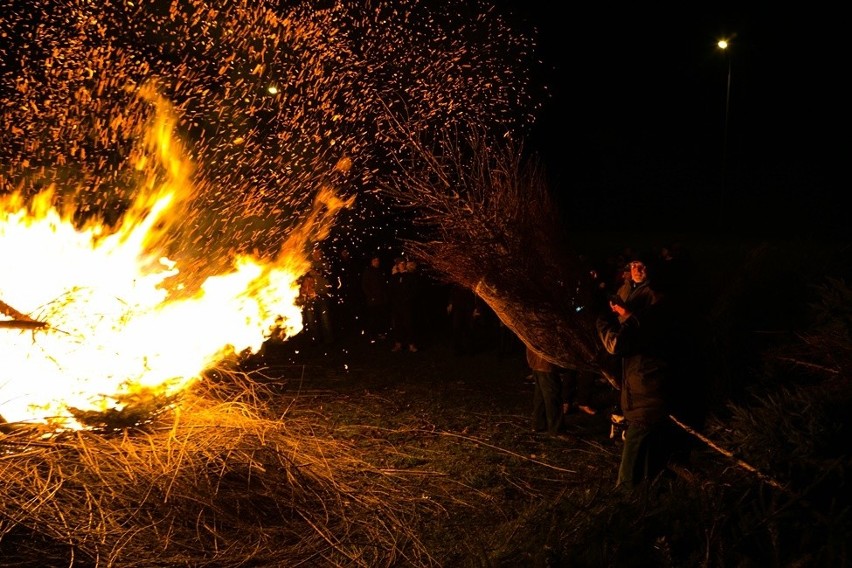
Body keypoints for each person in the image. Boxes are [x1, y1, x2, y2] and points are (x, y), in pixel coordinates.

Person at [596, 257, 675, 490]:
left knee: (640, 431)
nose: (637, 269)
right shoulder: (627, 289)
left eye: (642, 264)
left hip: (646, 381)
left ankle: (626, 494)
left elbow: (622, 340)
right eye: (633, 265)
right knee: (643, 435)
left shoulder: (655, 299)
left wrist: (612, 318)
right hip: (634, 375)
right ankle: (646, 486)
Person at [527, 345, 564, 437]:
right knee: (552, 397)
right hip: (546, 364)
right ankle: (556, 430)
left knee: (541, 397)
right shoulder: (544, 332)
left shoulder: (533, 331)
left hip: (537, 363)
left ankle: (538, 425)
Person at [389, 257, 420, 352]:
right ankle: (398, 344)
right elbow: (391, 290)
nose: (401, 265)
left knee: (409, 324)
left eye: (403, 263)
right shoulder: (395, 277)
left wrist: (407, 299)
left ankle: (411, 344)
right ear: (397, 265)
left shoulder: (410, 276)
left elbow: (414, 290)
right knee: (398, 324)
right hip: (397, 305)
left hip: (407, 305)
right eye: (399, 263)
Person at [360, 254, 390, 341]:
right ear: (372, 261)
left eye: (378, 260)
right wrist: (371, 296)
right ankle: (372, 334)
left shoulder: (380, 271)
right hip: (372, 300)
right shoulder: (368, 271)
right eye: (375, 260)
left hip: (381, 299)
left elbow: (383, 285)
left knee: (380, 317)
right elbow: (365, 285)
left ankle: (380, 333)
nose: (377, 262)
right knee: (373, 317)